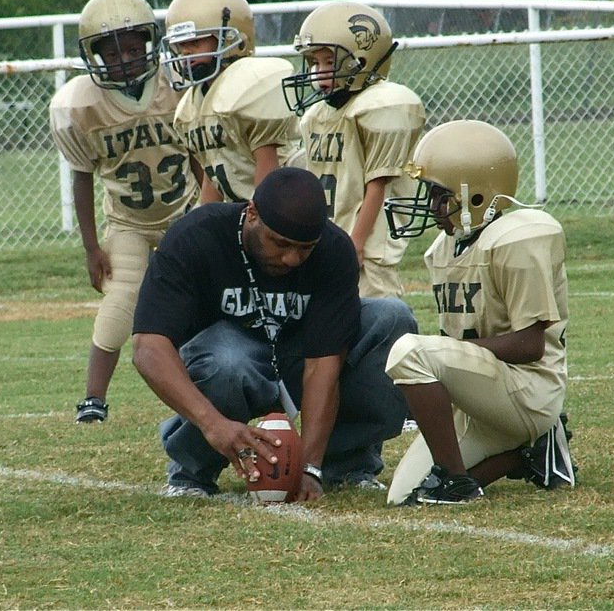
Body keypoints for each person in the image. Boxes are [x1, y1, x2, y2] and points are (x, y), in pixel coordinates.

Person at [131, 167, 419, 498]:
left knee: (392, 319)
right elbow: (148, 348)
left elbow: (322, 366)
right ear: (252, 213)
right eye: (280, 243)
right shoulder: (196, 235)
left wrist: (309, 467)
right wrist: (213, 423)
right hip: (226, 358)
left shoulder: (334, 249)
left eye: (305, 248)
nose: (292, 258)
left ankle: (346, 463)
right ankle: (194, 471)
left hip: (297, 354)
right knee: (228, 361)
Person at [381, 120, 575, 505]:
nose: (431, 205)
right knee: (405, 496)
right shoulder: (443, 248)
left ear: (477, 196)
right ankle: (530, 453)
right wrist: (450, 364)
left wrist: (444, 357)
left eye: (440, 195)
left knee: (409, 351)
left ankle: (457, 483)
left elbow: (530, 344)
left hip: (529, 390)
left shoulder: (519, 238)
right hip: (485, 391)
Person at [49, 0, 198, 423]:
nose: (125, 60)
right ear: (94, 57)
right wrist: (91, 247)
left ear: (151, 45)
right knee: (118, 302)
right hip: (128, 220)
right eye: (113, 54)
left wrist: (209, 211)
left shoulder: (177, 87)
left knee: (204, 301)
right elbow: (81, 175)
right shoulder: (80, 104)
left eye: (134, 49)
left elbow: (198, 156)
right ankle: (93, 398)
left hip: (185, 212)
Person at [282, 1, 426, 299]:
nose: (318, 72)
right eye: (313, 63)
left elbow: (377, 185)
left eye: (328, 61)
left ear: (362, 59)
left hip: (367, 248)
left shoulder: (380, 107)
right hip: (333, 235)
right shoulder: (317, 116)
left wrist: (356, 243)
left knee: (377, 323)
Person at [161, 0, 298, 203]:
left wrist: (259, 222)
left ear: (231, 39)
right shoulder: (192, 104)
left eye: (195, 42)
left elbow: (268, 169)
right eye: (180, 45)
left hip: (281, 204)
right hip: (240, 210)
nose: (185, 52)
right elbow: (213, 175)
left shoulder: (248, 85)